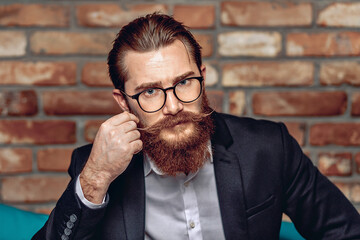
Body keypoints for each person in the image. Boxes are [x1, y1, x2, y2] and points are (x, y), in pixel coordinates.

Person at [33, 13, 360, 240]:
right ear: (123, 102)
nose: (174, 106)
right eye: (150, 92)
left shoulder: (268, 147)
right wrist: (95, 178)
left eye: (185, 83)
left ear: (202, 76)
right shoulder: (93, 167)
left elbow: (345, 231)